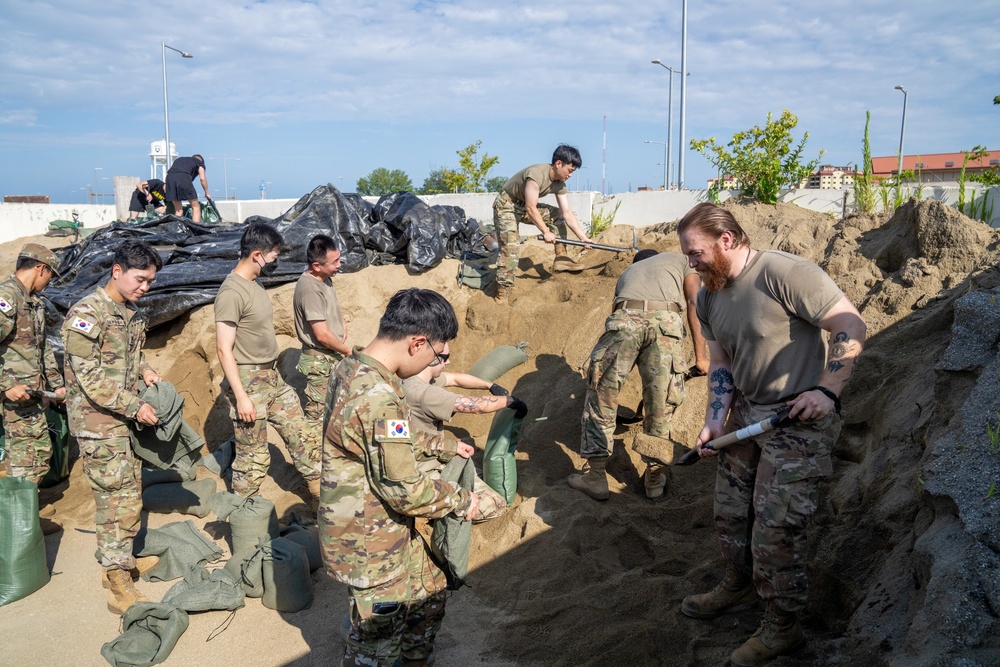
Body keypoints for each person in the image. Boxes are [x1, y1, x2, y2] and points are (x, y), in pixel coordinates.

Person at [676, 203, 866, 667]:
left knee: (776, 526)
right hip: (745, 414)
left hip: (798, 418)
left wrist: (828, 389)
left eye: (696, 253)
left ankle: (784, 627)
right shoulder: (708, 295)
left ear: (726, 240)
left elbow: (850, 324)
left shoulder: (785, 273)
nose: (691, 263)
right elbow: (720, 364)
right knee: (731, 514)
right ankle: (738, 585)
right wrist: (715, 420)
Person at [320, 288, 482, 667]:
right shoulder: (376, 394)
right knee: (376, 644)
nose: (437, 364)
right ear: (418, 343)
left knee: (430, 595)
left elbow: (380, 435)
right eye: (438, 355)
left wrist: (440, 446)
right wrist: (460, 499)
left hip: (387, 530)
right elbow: (406, 491)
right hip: (369, 544)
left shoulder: (354, 366)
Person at [62, 239, 165, 614]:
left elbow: (130, 358)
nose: (145, 287)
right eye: (140, 279)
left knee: (129, 494)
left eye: (151, 281)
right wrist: (135, 405)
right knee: (114, 500)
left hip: (119, 422)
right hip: (98, 425)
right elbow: (89, 377)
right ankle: (117, 581)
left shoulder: (130, 313)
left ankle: (120, 563)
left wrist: (147, 371)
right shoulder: (86, 314)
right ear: (116, 271)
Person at [569, 248, 709, 501]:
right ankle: (654, 479)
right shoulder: (682, 261)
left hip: (625, 318)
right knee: (662, 404)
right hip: (667, 322)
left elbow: (619, 317)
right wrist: (701, 356)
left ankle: (596, 477)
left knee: (602, 396)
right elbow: (694, 301)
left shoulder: (628, 273)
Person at [214, 222, 321, 502]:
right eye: (274, 256)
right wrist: (241, 397)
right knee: (253, 458)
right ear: (257, 255)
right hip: (249, 383)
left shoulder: (255, 282)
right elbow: (224, 349)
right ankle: (244, 519)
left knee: (304, 436)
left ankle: (324, 505)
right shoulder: (231, 293)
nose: (277, 261)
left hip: (272, 378)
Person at [401, 347, 527, 521]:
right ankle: (442, 511)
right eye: (445, 358)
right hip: (424, 473)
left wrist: (490, 385)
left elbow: (455, 378)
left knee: (472, 469)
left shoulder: (415, 378)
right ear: (430, 358)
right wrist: (511, 401)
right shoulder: (426, 394)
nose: (448, 362)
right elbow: (475, 406)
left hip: (431, 455)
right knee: (496, 504)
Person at [492, 144, 594, 303]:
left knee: (557, 215)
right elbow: (531, 208)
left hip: (524, 206)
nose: (570, 175)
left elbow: (566, 213)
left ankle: (562, 258)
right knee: (511, 246)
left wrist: (583, 238)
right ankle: (502, 292)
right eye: (570, 170)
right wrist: (546, 231)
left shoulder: (560, 183)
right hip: (507, 206)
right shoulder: (536, 174)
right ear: (558, 163)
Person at [0, 244, 66, 487]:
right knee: (23, 461)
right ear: (41, 268)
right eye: (50, 275)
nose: (49, 281)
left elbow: (43, 348)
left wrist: (56, 386)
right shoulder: (7, 297)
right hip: (14, 399)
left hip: (33, 395)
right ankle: (15, 523)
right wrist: (5, 387)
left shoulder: (34, 302)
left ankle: (27, 519)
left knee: (38, 456)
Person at [292, 235, 350, 422]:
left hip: (330, 355)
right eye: (334, 262)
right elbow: (322, 335)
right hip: (320, 361)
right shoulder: (310, 289)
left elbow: (330, 307)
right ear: (316, 265)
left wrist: (342, 325)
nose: (339, 265)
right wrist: (348, 351)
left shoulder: (325, 277)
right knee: (318, 416)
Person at [165, 154, 210, 222]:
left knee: (178, 209)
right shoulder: (199, 162)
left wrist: (168, 187)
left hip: (169, 178)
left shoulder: (179, 160)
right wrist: (206, 192)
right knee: (195, 207)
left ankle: (177, 229)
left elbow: (168, 175)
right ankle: (196, 228)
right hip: (183, 178)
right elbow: (202, 178)